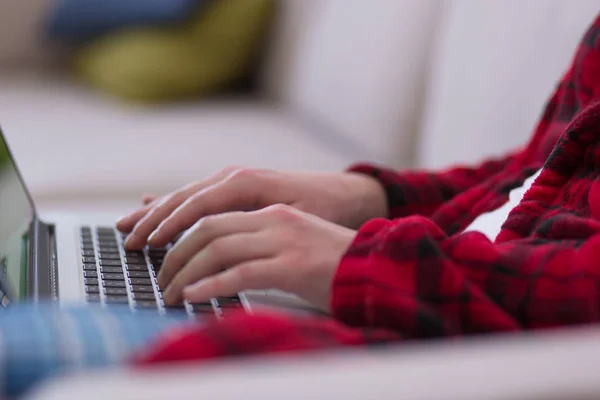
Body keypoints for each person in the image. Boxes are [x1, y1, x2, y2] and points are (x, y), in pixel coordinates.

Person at [3, 10, 600, 400]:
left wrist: (361, 261)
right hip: (414, 284)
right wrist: (367, 196)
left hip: (428, 345)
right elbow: (535, 171)